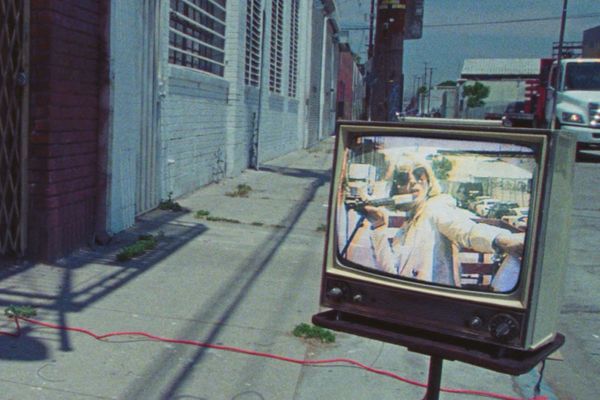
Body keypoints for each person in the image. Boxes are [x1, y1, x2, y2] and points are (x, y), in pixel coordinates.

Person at [361, 158, 524, 287]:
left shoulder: (436, 208)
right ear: (396, 189)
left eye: (419, 175)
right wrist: (379, 227)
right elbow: (390, 272)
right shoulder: (405, 228)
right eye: (403, 178)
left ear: (429, 181)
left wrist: (501, 240)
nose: (413, 181)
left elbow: (464, 230)